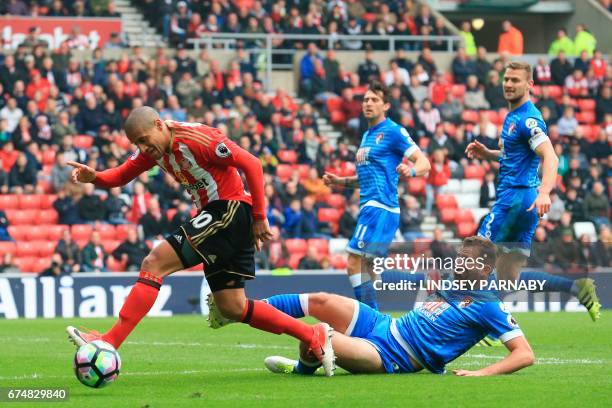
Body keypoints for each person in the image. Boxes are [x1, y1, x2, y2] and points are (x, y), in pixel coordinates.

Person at [65, 107, 334, 376]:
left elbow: (252, 162)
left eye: (144, 140)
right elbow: (122, 175)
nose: (143, 148)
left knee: (154, 262)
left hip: (228, 210)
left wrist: (259, 217)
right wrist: (96, 177)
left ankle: (110, 341)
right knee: (232, 306)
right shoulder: (156, 149)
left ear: (159, 125)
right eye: (137, 144)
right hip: (223, 218)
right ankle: (312, 333)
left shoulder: (199, 140)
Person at [213, 237, 535, 377]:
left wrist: (481, 373)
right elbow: (414, 281)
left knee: (319, 333)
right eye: (460, 255)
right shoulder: (452, 282)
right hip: (385, 326)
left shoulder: (490, 306)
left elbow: (524, 354)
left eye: (466, 259)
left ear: (484, 268)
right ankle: (240, 310)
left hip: (393, 356)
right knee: (322, 300)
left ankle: (300, 369)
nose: (458, 262)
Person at [465, 61, 601, 323]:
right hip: (522, 201)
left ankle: (485, 324)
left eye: (515, 80)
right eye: (506, 79)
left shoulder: (528, 118)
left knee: (472, 257)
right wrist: (489, 153)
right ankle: (577, 288)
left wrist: (545, 191)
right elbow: (514, 155)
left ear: (529, 85)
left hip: (515, 199)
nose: (508, 84)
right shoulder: (512, 116)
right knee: (509, 278)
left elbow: (549, 155)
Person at [322, 81, 431, 310]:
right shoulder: (366, 136)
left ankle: (370, 320)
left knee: (354, 263)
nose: (368, 103)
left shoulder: (393, 131)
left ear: (386, 105)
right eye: (365, 99)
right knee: (368, 267)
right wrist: (340, 182)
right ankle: (378, 317)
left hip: (380, 207)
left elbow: (424, 163)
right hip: (373, 206)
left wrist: (410, 170)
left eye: (374, 100)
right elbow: (367, 178)